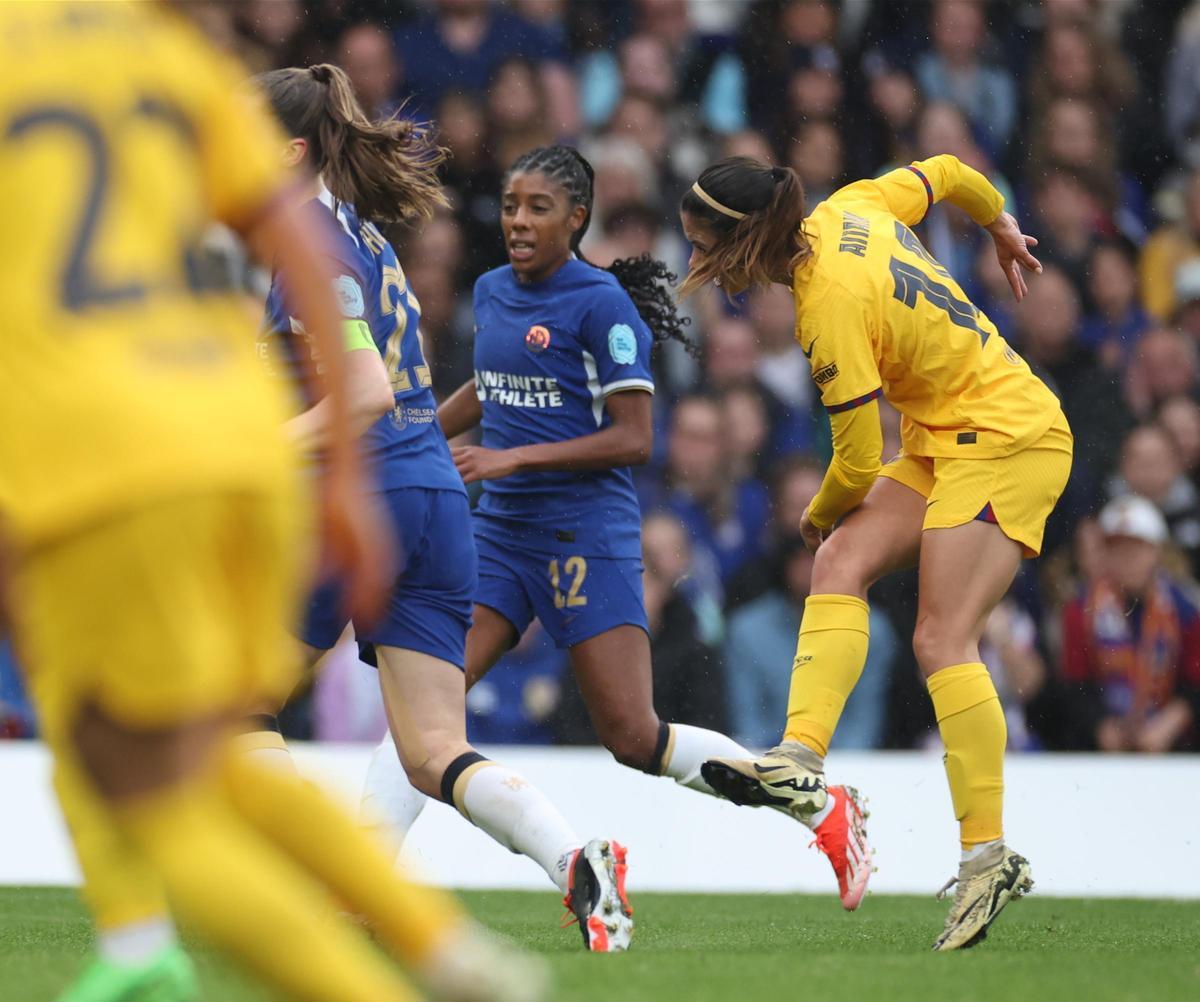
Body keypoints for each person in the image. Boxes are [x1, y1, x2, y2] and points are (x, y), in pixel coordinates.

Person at [0, 5, 513, 1002]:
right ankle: (425, 941)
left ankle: (185, 953)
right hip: (232, 444)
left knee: (157, 763)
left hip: (98, 451)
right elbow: (298, 243)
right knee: (194, 739)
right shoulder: (168, 63)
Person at [410, 144, 873, 913]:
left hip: (584, 536)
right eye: (510, 206)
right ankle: (360, 881)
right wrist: (416, 431)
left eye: (537, 208)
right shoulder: (490, 291)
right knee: (425, 705)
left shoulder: (601, 305)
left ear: (577, 218)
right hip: (502, 534)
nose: (518, 222)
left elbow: (635, 439)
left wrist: (507, 459)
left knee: (633, 738)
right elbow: (487, 389)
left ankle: (819, 807)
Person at [253, 65, 625, 954]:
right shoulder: (358, 234)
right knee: (429, 750)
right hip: (434, 500)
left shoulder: (307, 239)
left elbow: (365, 388)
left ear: (289, 150)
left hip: (362, 498)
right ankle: (577, 864)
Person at [678, 153, 1072, 950]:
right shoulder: (852, 203)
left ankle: (988, 855)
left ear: (749, 242)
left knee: (938, 636)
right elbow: (951, 172)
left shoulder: (826, 305)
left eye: (705, 250)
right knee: (842, 564)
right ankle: (799, 758)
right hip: (947, 435)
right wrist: (997, 220)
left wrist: (816, 513)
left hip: (1008, 439)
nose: (697, 267)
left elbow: (856, 463)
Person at [1059, 496, 1200, 753]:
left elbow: (1195, 681)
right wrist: (1101, 727)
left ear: (1158, 552)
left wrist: (1169, 725)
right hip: (1102, 748)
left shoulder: (1186, 609)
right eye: (1117, 549)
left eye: (1136, 549)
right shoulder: (1081, 610)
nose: (1127, 558)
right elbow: (1075, 683)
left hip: (1172, 749)